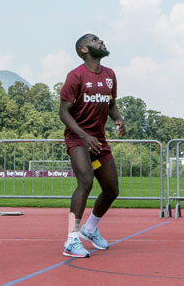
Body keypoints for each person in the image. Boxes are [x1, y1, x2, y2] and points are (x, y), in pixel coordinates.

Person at [59, 33, 125, 258]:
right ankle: (71, 239)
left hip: (98, 140)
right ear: (84, 50)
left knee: (112, 189)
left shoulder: (109, 75)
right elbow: (63, 113)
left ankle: (90, 229)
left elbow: (111, 105)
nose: (102, 41)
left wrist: (118, 119)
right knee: (85, 182)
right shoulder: (75, 76)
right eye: (95, 39)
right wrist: (84, 136)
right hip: (78, 138)